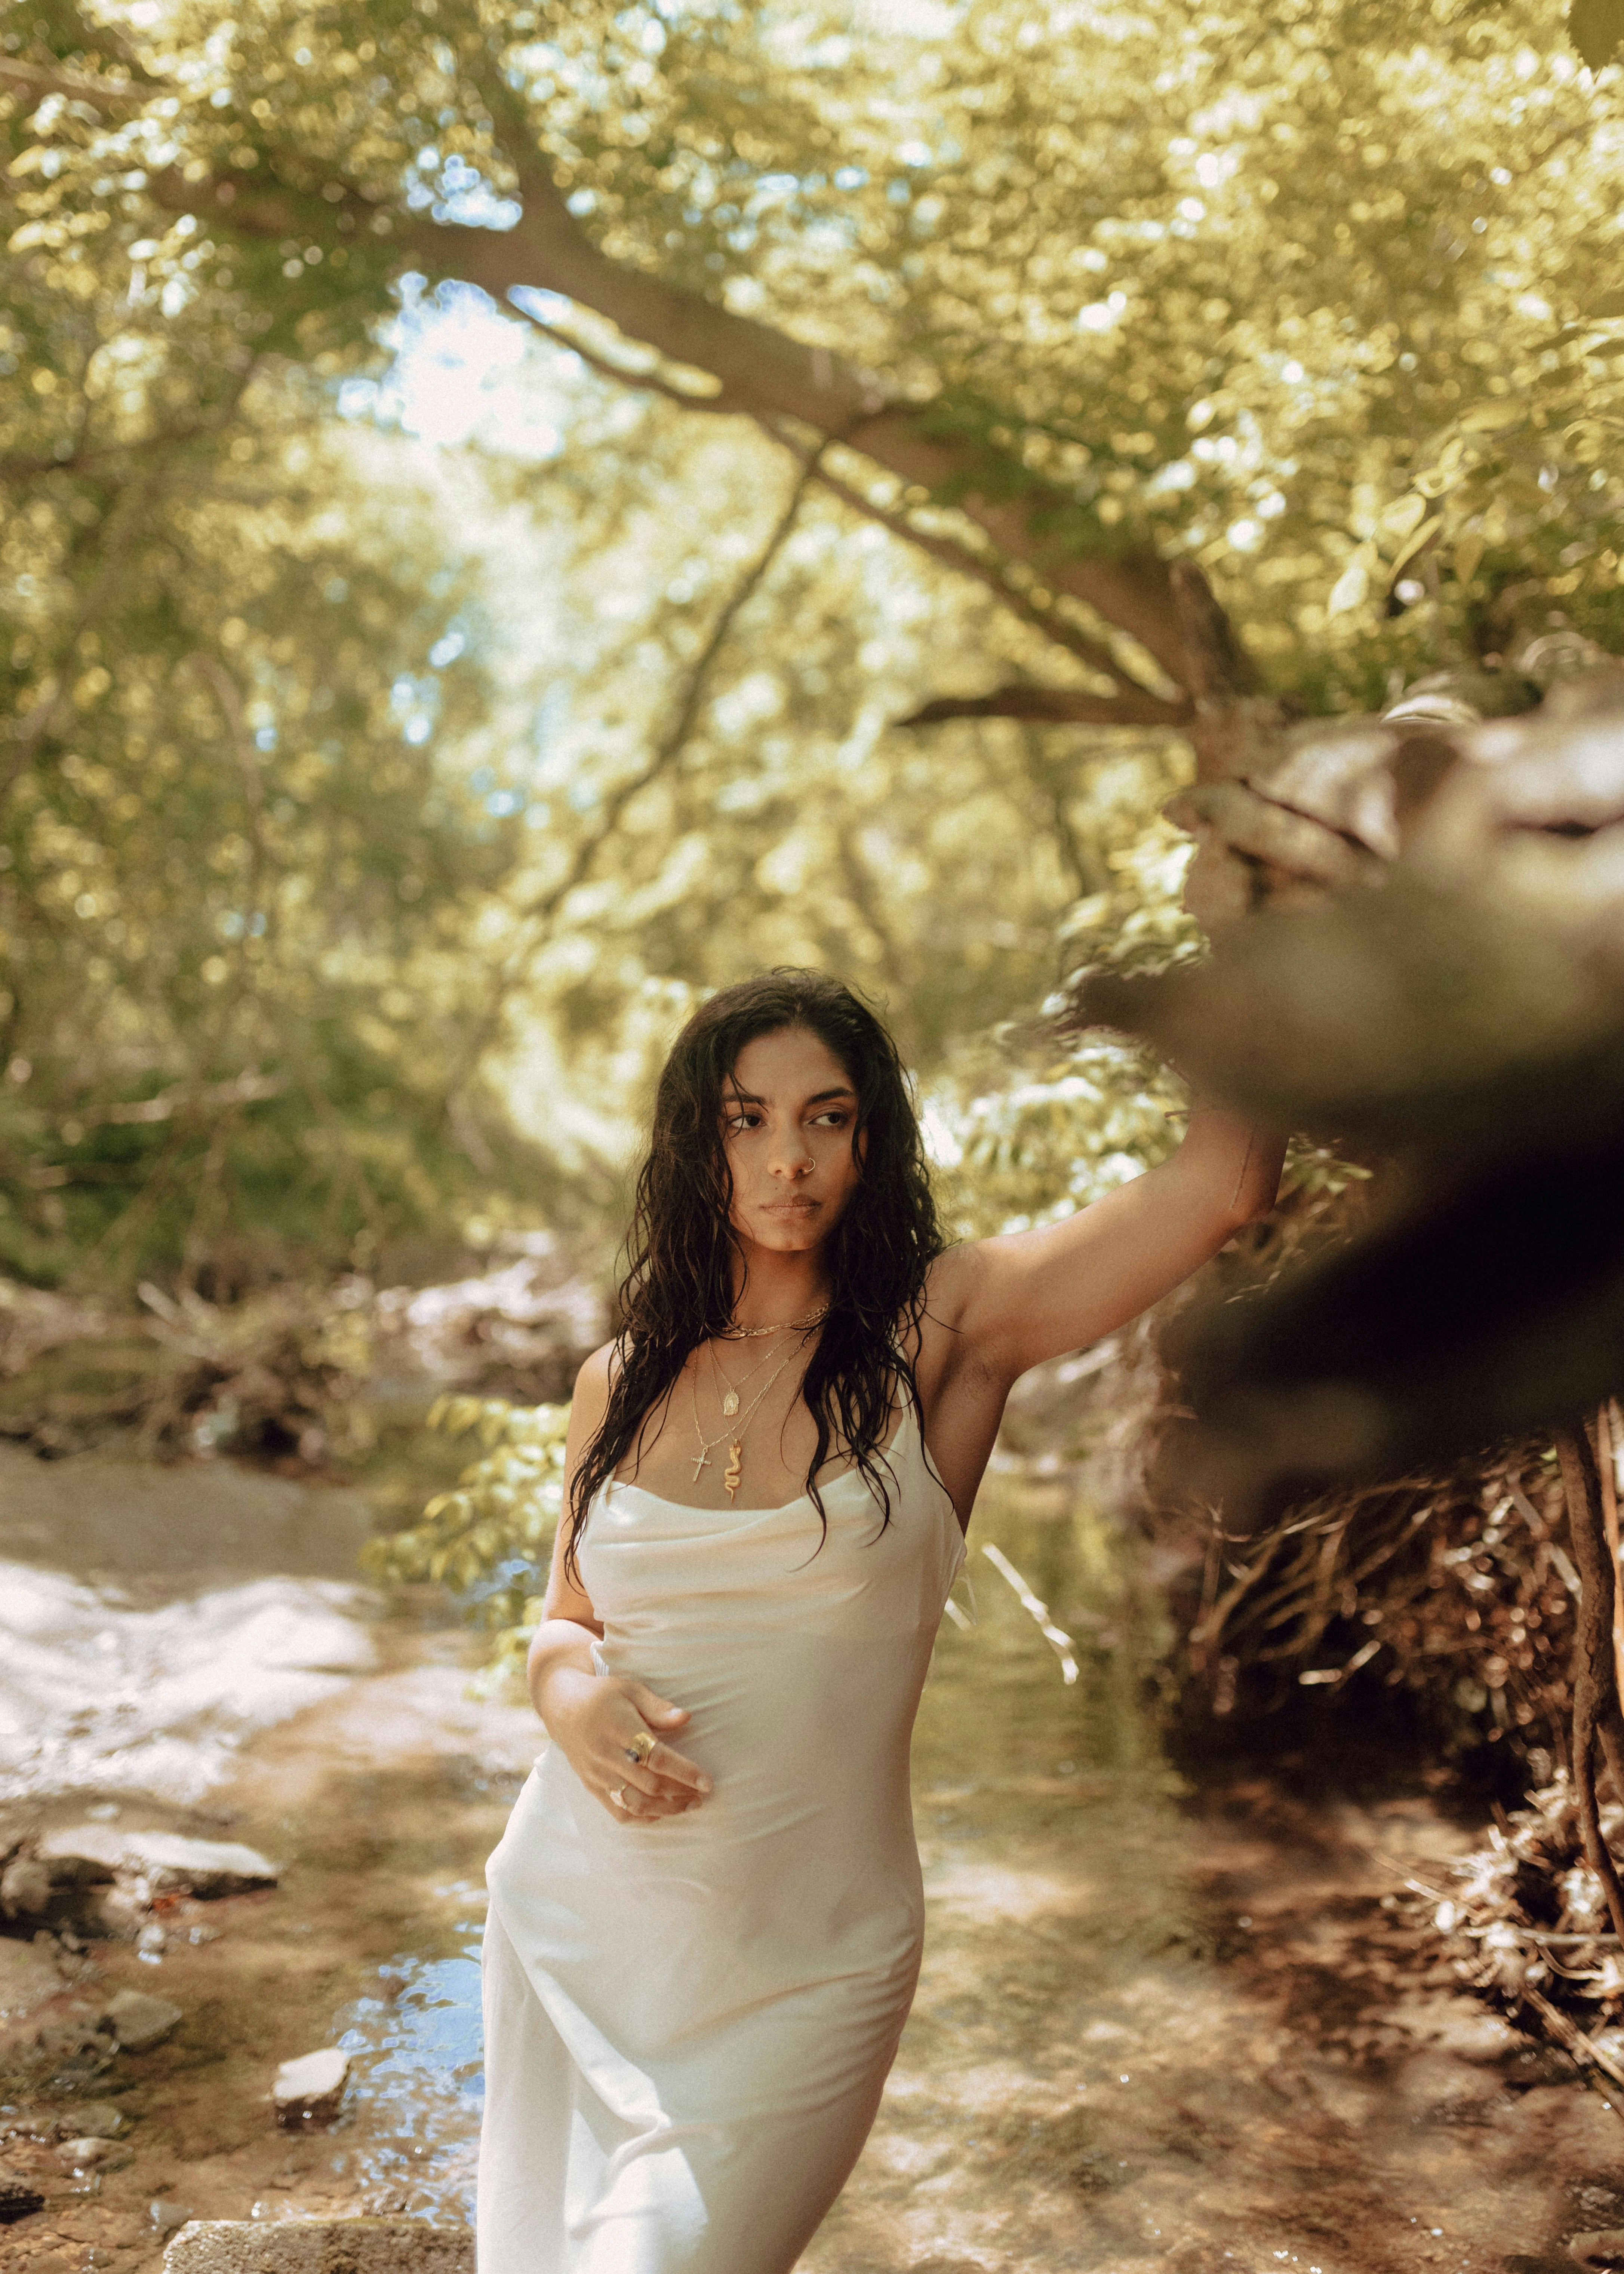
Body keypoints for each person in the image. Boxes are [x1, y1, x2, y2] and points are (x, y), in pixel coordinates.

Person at [478, 969, 1284, 2274]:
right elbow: (566, 1619)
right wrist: (569, 1693)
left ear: (872, 1138)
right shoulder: (616, 1381)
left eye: (827, 1116)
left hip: (813, 1968)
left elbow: (1222, 1185)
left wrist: (1257, 942)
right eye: (748, 1119)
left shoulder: (945, 1327)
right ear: (698, 1141)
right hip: (579, 1922)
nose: (788, 1157)